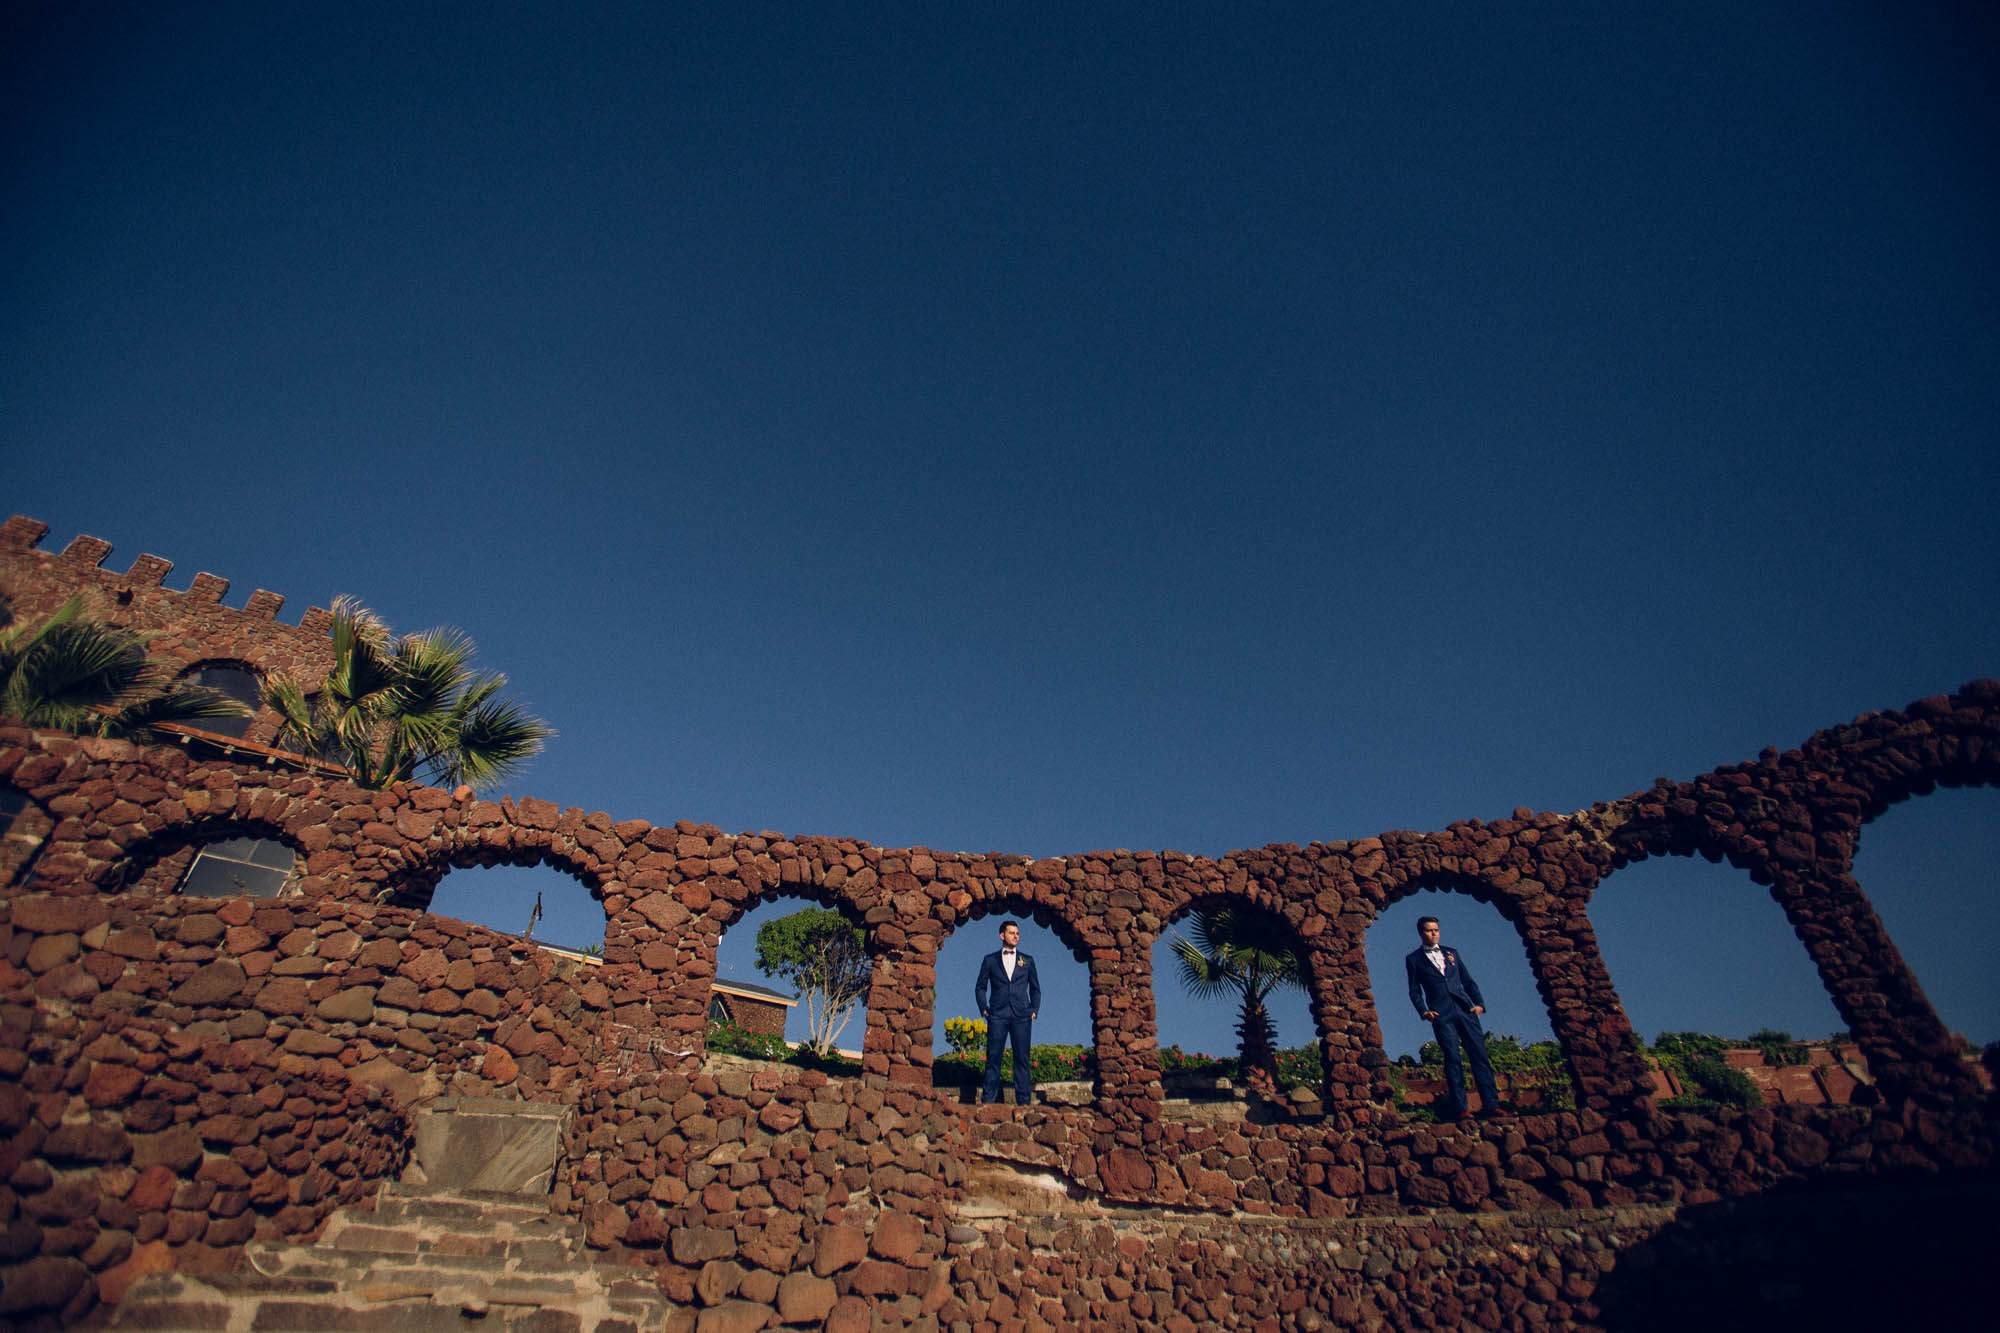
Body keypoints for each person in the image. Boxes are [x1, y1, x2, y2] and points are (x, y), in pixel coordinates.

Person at [1405, 915, 1503, 1121]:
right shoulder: (1413, 959)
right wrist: (1424, 1010)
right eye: (1430, 930)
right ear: (1421, 933)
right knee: (1453, 1059)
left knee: (1479, 1056)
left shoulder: (1452, 953)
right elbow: (1414, 990)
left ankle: (1492, 1105)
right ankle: (1461, 1108)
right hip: (1442, 1013)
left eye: (1436, 930)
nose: (1434, 934)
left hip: (1465, 1009)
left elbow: (1467, 980)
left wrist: (1479, 1004)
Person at [974, 919, 1041, 1105]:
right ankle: (988, 1100)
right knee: (993, 1057)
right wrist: (984, 1010)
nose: (1016, 936)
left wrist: (1034, 1010)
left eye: (1017, 933)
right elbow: (980, 987)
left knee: (1022, 1058)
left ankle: (1023, 1102)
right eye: (1012, 933)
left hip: (1022, 1015)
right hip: (997, 1014)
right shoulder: (990, 960)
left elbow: (1035, 988)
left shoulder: (1027, 960)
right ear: (1002, 935)